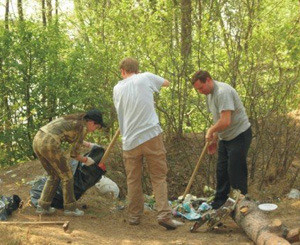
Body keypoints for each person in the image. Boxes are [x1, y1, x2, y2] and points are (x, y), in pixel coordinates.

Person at [113, 57, 183, 230]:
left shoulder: (117, 88)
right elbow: (166, 83)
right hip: (151, 134)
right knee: (158, 177)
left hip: (129, 140)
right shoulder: (145, 77)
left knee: (133, 180)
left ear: (122, 71)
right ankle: (164, 215)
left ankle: (134, 216)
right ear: (137, 69)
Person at [192, 70, 252, 209]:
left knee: (235, 171)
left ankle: (242, 205)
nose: (200, 91)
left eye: (201, 87)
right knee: (221, 171)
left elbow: (225, 121)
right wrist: (215, 138)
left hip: (239, 135)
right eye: (197, 89)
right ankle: (219, 204)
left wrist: (210, 130)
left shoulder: (222, 92)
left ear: (208, 80)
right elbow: (218, 120)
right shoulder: (209, 95)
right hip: (225, 138)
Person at [33, 109, 106, 216]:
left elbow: (70, 137)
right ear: (91, 122)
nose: (95, 130)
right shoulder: (82, 127)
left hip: (38, 139)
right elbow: (74, 154)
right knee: (67, 176)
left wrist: (89, 145)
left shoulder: (74, 120)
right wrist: (87, 160)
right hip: (50, 143)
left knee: (54, 175)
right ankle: (70, 209)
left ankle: (43, 206)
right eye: (97, 127)